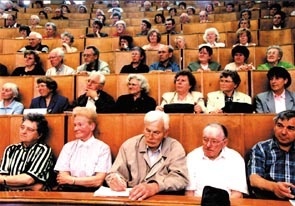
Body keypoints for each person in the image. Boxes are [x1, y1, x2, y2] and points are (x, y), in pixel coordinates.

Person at [105, 110, 189, 200]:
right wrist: (114, 179)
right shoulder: (129, 145)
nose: (150, 136)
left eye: (156, 132)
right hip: (133, 200)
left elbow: (180, 178)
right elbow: (114, 172)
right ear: (143, 128)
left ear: (166, 133)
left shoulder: (174, 147)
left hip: (162, 200)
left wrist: (155, 186)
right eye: (148, 131)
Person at [54, 107, 112, 192]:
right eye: (75, 125)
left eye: (80, 125)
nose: (75, 129)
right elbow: (62, 178)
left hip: (93, 193)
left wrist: (71, 180)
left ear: (92, 126)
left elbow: (98, 181)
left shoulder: (103, 148)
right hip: (68, 192)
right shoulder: (68, 147)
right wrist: (86, 180)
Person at [186, 123, 248, 197]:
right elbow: (189, 193)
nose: (208, 145)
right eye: (205, 140)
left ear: (224, 143)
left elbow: (237, 194)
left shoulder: (235, 159)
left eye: (214, 141)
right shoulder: (192, 157)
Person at [247, 110, 295, 199]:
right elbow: (254, 179)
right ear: (274, 126)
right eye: (280, 126)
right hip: (269, 200)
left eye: (290, 128)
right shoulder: (261, 148)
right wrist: (274, 187)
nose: (283, 132)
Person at [0, 113, 55, 191]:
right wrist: (30, 187)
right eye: (22, 127)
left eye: (30, 129)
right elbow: (1, 179)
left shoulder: (43, 150)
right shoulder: (10, 149)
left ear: (39, 135)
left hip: (34, 199)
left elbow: (29, 179)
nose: (23, 132)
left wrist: (6, 182)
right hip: (10, 196)